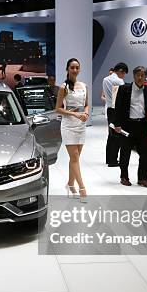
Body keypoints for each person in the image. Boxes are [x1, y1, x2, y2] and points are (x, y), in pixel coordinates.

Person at [114, 66, 147, 188]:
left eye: (143, 75)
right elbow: (118, 107)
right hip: (128, 125)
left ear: (145, 77)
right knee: (125, 153)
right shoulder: (124, 89)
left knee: (145, 154)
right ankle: (124, 177)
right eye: (138, 75)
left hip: (142, 125)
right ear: (134, 76)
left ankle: (143, 178)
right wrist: (117, 124)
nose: (140, 77)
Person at [55, 58, 89, 202]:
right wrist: (74, 113)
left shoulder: (84, 86)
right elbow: (58, 109)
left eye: (77, 67)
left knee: (75, 158)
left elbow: (86, 104)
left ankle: (70, 184)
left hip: (81, 125)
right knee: (74, 157)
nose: (75, 70)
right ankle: (82, 189)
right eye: (72, 67)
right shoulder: (63, 87)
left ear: (79, 69)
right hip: (68, 125)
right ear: (67, 69)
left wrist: (86, 113)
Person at [103, 63, 128, 167]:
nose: (124, 76)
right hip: (116, 110)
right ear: (120, 70)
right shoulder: (118, 81)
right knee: (117, 136)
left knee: (111, 135)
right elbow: (120, 98)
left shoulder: (105, 79)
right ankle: (113, 160)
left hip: (109, 108)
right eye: (124, 73)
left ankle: (110, 159)